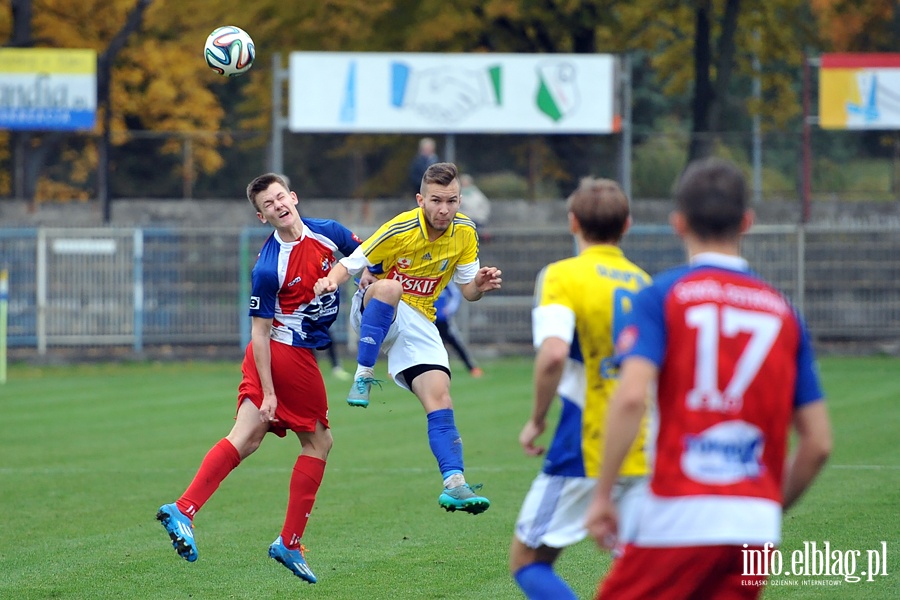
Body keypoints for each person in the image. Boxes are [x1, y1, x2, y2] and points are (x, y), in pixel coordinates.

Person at [585, 158, 832, 599]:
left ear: (678, 223)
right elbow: (817, 443)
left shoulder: (664, 294)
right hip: (755, 530)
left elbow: (630, 398)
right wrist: (765, 507)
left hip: (680, 511)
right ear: (747, 222)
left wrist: (603, 494)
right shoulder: (784, 313)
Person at [155, 173, 362, 584]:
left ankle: (183, 509)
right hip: (284, 354)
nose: (278, 205)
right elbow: (259, 334)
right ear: (262, 216)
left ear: (294, 197)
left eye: (281, 197)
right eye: (269, 204)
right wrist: (269, 392)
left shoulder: (330, 233)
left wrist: (371, 281)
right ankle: (289, 541)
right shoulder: (269, 267)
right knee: (319, 441)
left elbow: (364, 258)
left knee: (246, 437)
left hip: (284, 355)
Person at [313, 161, 502, 514]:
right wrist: (330, 282)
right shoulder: (399, 228)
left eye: (451, 200)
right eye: (436, 200)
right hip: (374, 308)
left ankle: (455, 483)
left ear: (460, 200)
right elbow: (352, 263)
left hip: (420, 323)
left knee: (441, 399)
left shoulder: (465, 232)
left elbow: (467, 290)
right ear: (421, 199)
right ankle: (363, 376)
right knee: (390, 287)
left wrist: (480, 285)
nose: (444, 209)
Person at [510, 178, 652, 600]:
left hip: (585, 440)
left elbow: (553, 355)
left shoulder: (562, 275)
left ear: (573, 223)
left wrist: (536, 419)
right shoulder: (645, 284)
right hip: (644, 441)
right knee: (638, 572)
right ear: (626, 226)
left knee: (527, 560)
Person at [434, 281, 483, 377]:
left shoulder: (444, 281)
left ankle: (472, 367)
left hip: (442, 320)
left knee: (455, 343)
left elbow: (455, 295)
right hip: (427, 319)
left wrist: (449, 310)